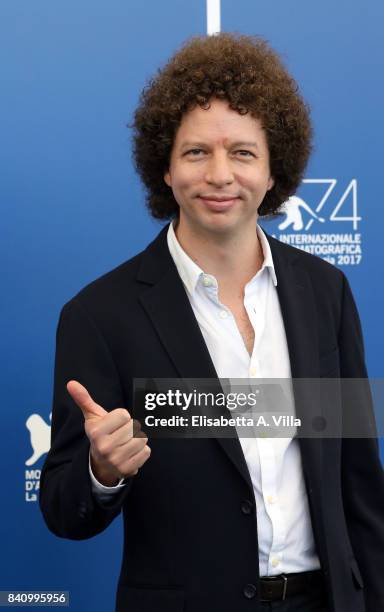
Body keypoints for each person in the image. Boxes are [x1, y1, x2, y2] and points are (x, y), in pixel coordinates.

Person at [39, 33, 384, 612]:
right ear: (165, 169)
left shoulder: (327, 292)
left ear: (275, 171)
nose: (220, 175)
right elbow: (62, 510)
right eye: (197, 152)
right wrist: (102, 471)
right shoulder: (100, 315)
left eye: (243, 153)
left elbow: (358, 482)